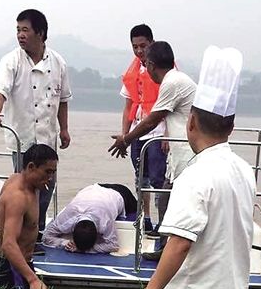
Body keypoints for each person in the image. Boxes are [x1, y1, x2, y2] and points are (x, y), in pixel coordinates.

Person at [127, 46, 256, 289]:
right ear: (231, 127)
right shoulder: (242, 170)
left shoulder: (195, 176)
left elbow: (180, 242)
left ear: (190, 124)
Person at [0, 9, 72, 250]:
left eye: (25, 30)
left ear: (40, 33)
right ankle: (15, 237)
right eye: (18, 30)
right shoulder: (11, 60)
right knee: (23, 191)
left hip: (47, 138)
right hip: (22, 138)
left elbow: (62, 99)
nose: (21, 35)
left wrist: (64, 129)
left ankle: (36, 234)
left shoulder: (58, 62)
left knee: (46, 187)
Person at [109, 41, 197, 260]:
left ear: (150, 64)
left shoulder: (172, 82)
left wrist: (125, 139)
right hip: (180, 154)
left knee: (170, 199)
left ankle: (168, 250)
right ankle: (165, 246)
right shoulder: (177, 79)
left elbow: (151, 121)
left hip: (187, 155)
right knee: (167, 198)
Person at [0, 143, 58, 289]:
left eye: (53, 173)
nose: (50, 177)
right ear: (31, 167)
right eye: (47, 172)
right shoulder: (18, 197)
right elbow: (9, 244)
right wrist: (33, 279)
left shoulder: (16, 180)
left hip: (22, 265)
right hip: (12, 267)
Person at [120, 24, 166, 233]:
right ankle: (145, 218)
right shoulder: (133, 71)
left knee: (159, 179)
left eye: (143, 46)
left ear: (151, 43)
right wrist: (124, 135)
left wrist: (168, 136)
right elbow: (128, 104)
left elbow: (171, 107)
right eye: (135, 47)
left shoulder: (164, 67)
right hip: (137, 131)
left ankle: (163, 222)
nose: (139, 51)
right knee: (140, 177)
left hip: (157, 132)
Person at [42, 183, 137, 253]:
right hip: (93, 189)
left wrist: (88, 250)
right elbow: (46, 236)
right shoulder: (67, 217)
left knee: (137, 211)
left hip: (120, 193)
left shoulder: (105, 220)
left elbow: (113, 245)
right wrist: (64, 242)